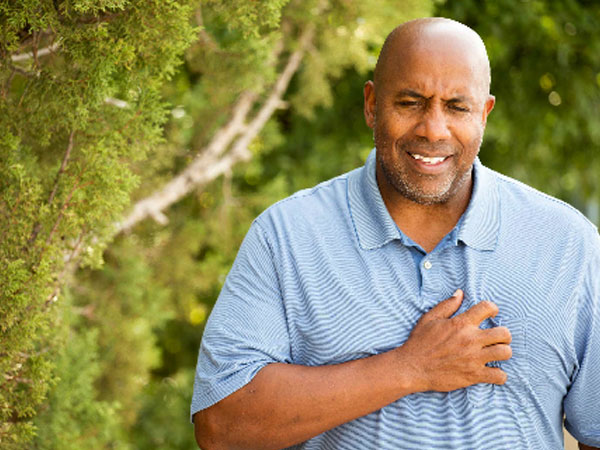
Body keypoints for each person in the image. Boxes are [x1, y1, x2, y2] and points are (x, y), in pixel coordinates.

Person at [191, 17, 600, 450]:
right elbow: (221, 425)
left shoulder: (566, 243)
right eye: (410, 102)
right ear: (371, 104)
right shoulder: (287, 236)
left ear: (484, 113)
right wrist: (409, 368)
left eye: (457, 107)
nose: (433, 129)